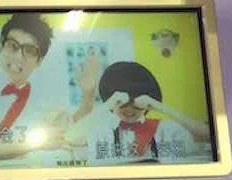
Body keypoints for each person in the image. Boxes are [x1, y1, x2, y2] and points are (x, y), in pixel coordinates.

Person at [0, 12, 100, 167]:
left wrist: (89, 93)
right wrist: (34, 142)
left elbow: (72, 129)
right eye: (12, 46)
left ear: (39, 61)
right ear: (1, 46)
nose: (18, 57)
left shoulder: (40, 98)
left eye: (29, 51)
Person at [65, 61, 212, 164]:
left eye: (136, 104)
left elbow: (208, 135)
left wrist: (159, 106)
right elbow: (71, 138)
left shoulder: (165, 129)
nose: (130, 110)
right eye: (122, 104)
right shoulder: (100, 131)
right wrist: (109, 103)